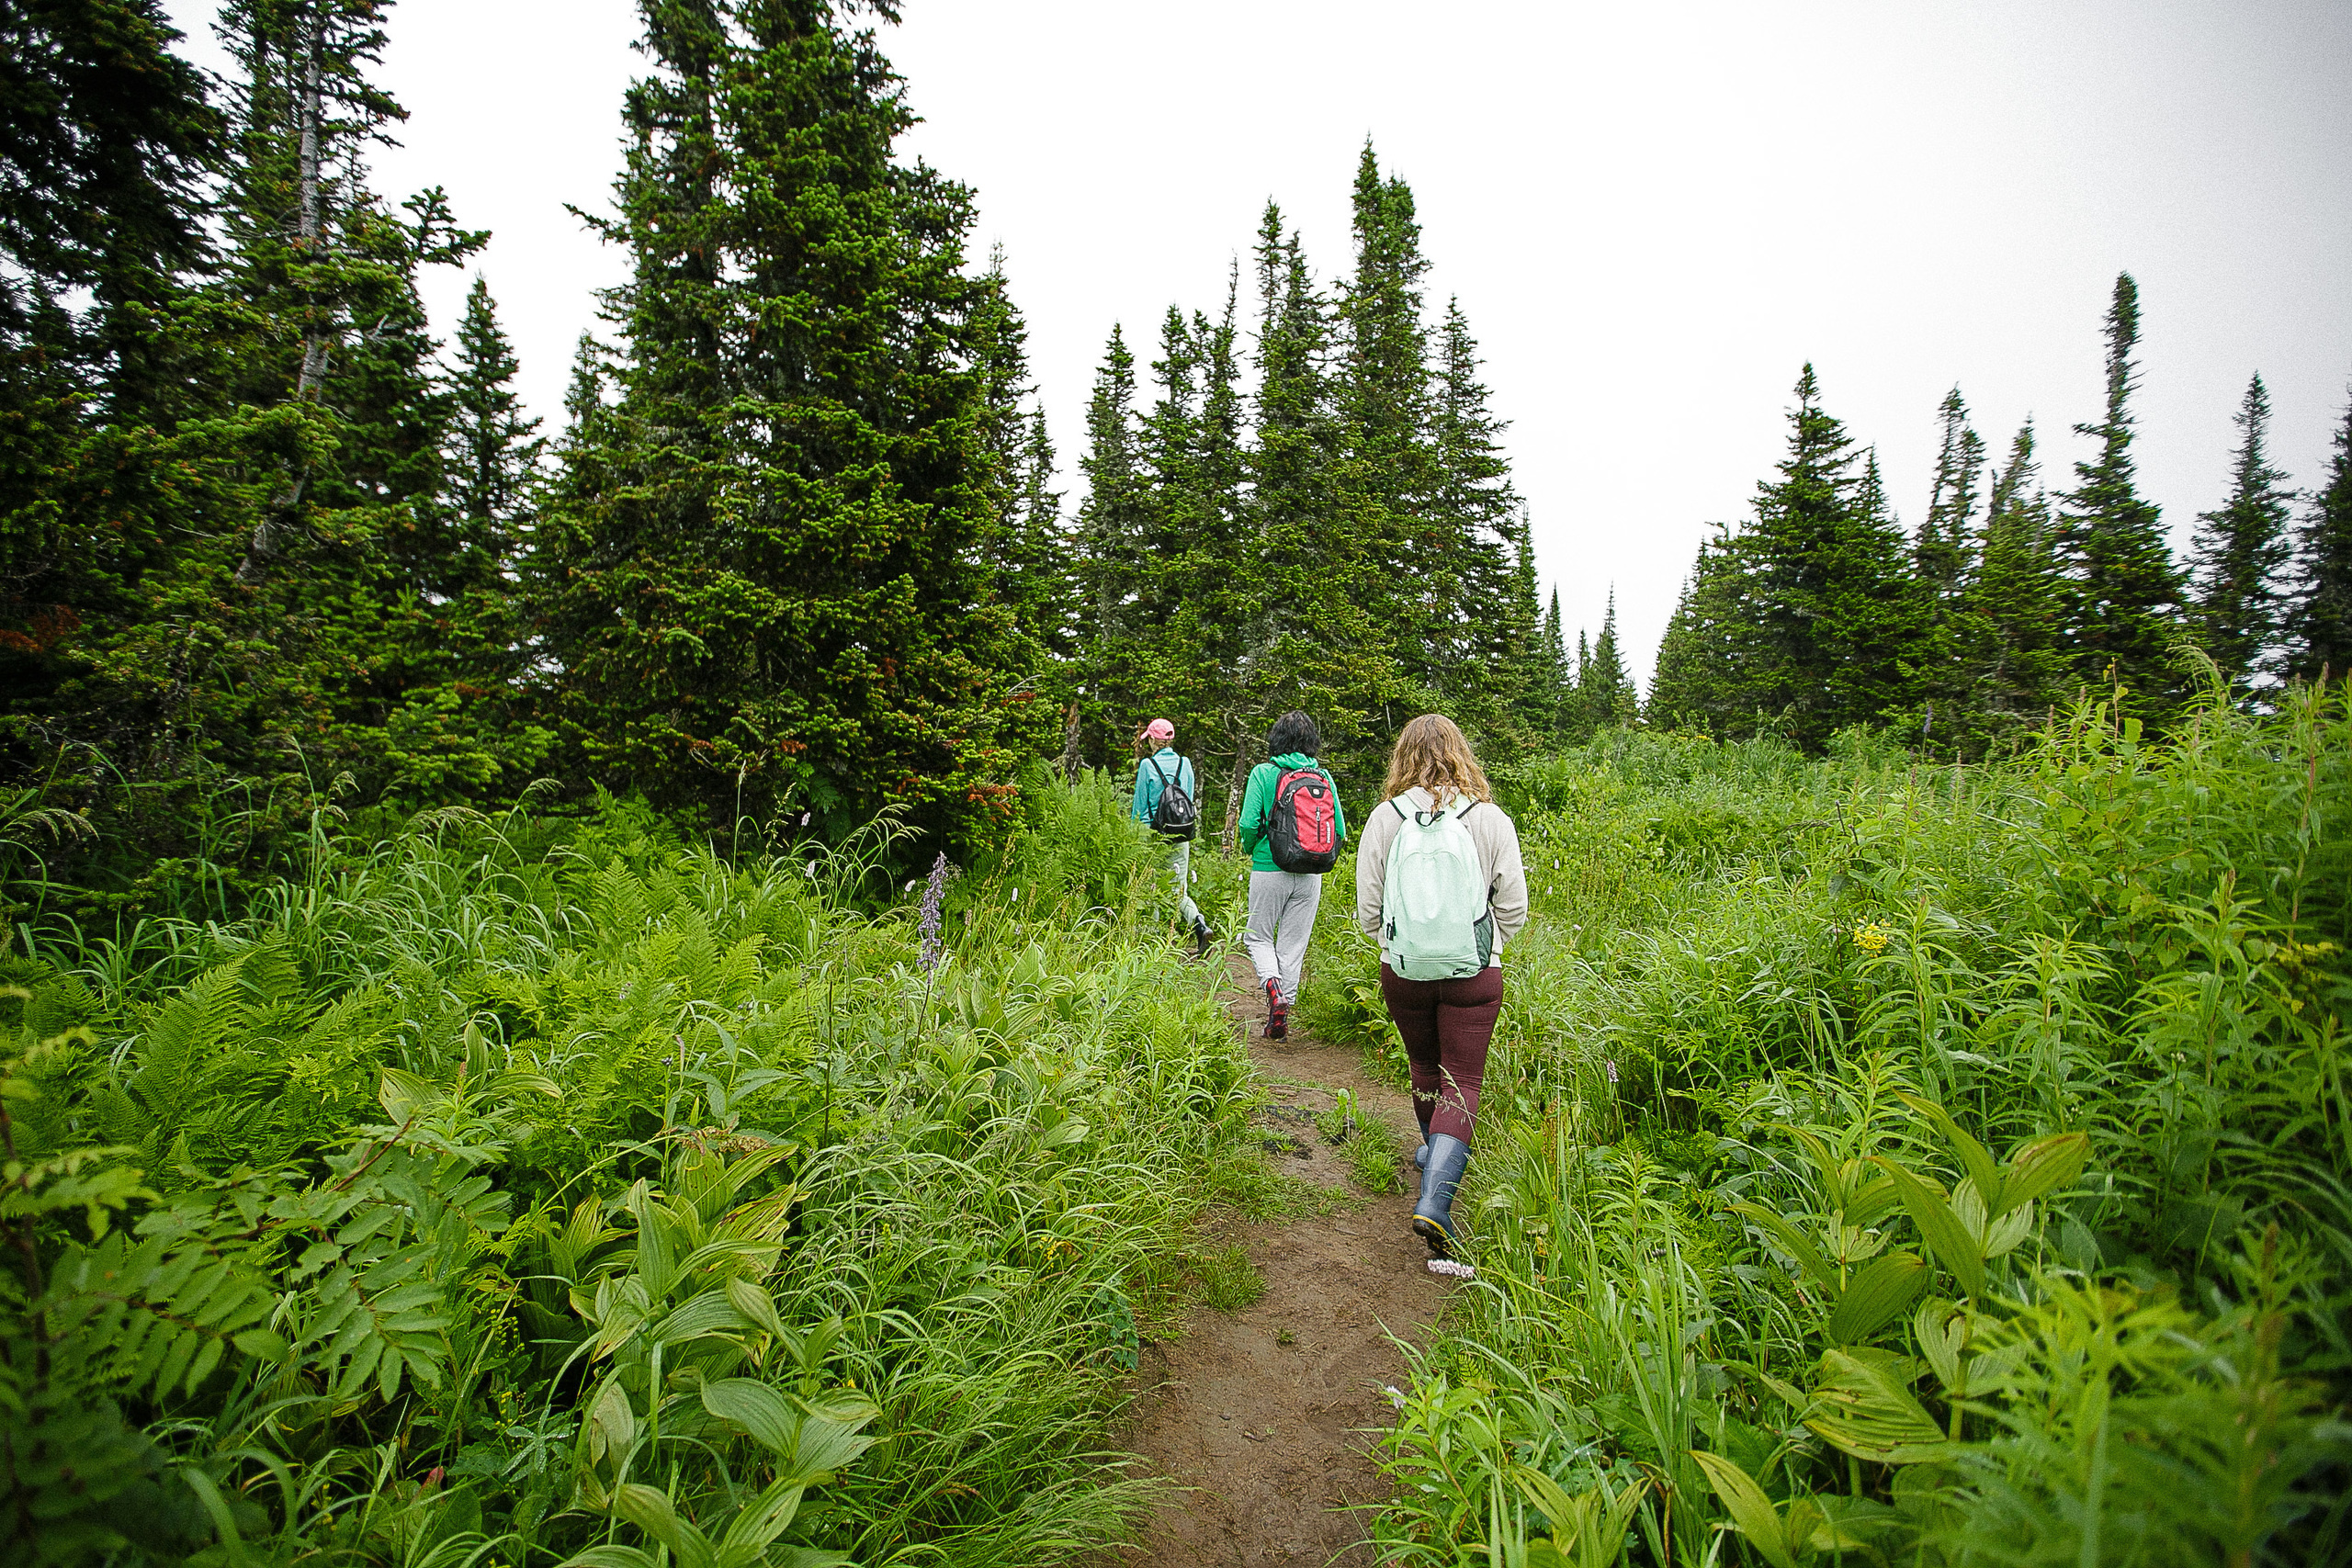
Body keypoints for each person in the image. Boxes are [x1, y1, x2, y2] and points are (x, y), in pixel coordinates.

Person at [1354, 714, 1527, 1258]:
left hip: (1403, 971)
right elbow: (1514, 907)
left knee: (1426, 1067)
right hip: (1475, 972)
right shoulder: (1492, 819)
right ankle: (1436, 1200)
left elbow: (1367, 911)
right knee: (1464, 1078)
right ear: (1462, 754)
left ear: (1402, 758)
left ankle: (1434, 1151)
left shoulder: (1386, 818)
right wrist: (1488, 938)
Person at [1236, 710, 1347, 1040]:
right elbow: (1339, 828)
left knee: (1256, 936)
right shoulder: (1323, 776)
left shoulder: (1264, 772)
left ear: (1276, 740)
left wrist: (1253, 846)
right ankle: (1283, 1011)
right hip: (1312, 871)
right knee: (1293, 944)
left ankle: (1273, 989)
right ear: (1312, 742)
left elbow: (1247, 823)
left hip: (1270, 868)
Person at [1130, 718, 1216, 958]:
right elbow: (1186, 799)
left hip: (1155, 836)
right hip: (1181, 834)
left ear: (1155, 740)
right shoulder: (1185, 764)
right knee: (1180, 890)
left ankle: (1153, 940)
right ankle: (1200, 926)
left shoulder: (1148, 766)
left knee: (1152, 888)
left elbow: (1139, 806)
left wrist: (1135, 835)